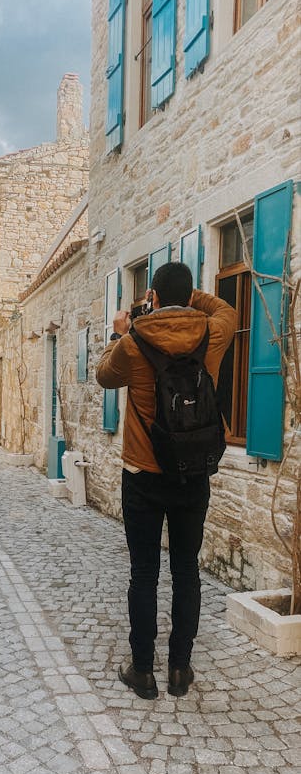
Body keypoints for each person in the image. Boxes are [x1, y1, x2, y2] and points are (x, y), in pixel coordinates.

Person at [96, 262, 236, 700]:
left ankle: (142, 671)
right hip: (192, 473)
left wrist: (119, 331)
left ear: (152, 297)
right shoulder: (212, 332)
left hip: (143, 472)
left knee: (144, 573)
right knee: (186, 570)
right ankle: (180, 668)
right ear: (190, 293)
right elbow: (227, 307)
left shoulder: (134, 343)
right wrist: (187, 298)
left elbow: (103, 375)